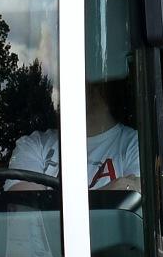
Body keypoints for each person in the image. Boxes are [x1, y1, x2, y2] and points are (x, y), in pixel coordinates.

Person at [11, 79, 147, 187]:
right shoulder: (34, 145)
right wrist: (111, 193)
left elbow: (139, 212)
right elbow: (27, 212)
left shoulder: (143, 146)